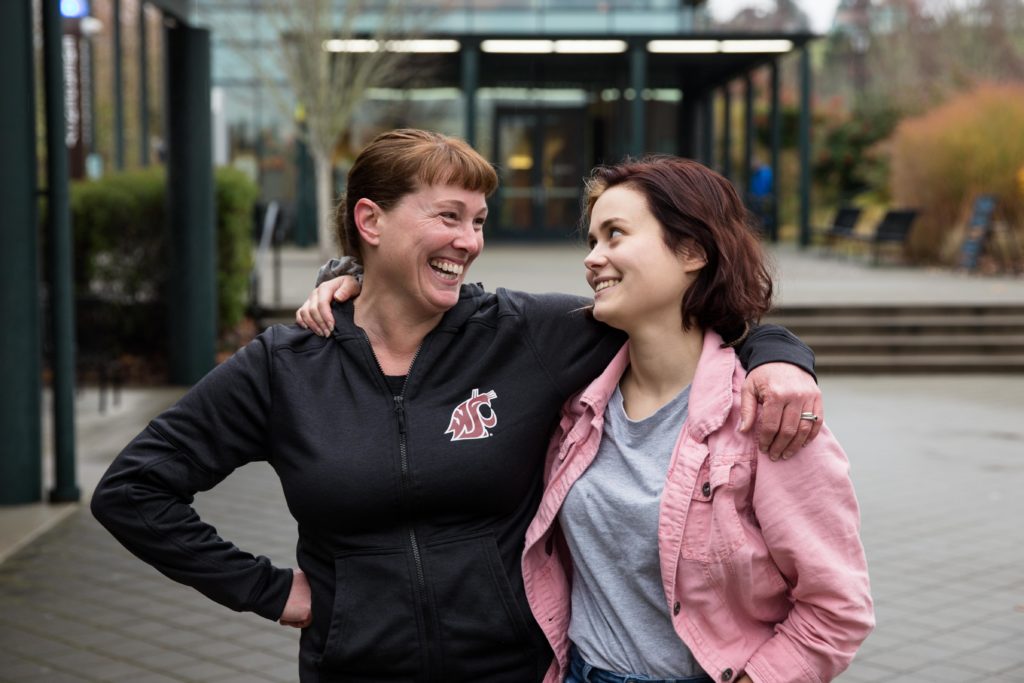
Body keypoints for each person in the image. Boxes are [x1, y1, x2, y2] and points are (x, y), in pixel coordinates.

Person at [92, 129, 821, 683]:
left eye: (478, 220)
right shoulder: (286, 366)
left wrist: (781, 355)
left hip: (515, 667)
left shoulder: (525, 335)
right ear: (370, 221)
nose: (469, 242)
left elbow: (679, 323)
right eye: (449, 217)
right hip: (354, 666)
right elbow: (133, 491)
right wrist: (270, 589)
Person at [520, 157, 873, 683]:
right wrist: (353, 281)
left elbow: (836, 610)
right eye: (592, 241)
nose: (593, 259)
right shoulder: (575, 402)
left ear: (692, 251)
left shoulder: (766, 417)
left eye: (615, 235)